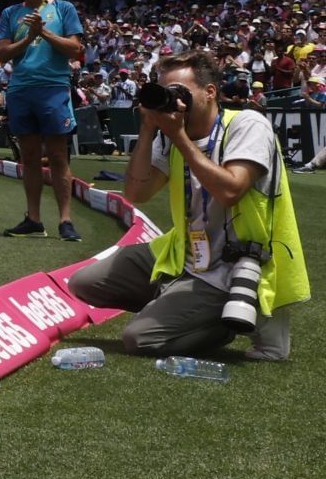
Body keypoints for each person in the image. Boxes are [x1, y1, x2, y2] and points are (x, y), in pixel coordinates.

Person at [69, 50, 307, 361]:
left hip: (236, 261)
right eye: (165, 92)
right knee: (85, 282)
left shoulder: (247, 123)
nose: (172, 100)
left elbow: (230, 190)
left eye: (179, 92)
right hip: (186, 254)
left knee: (138, 340)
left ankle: (225, 323)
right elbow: (136, 193)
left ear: (210, 92)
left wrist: (178, 137)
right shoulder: (169, 133)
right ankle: (180, 305)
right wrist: (148, 128)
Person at [0, 0, 85, 240]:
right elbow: (4, 54)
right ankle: (33, 219)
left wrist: (43, 32)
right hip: (21, 89)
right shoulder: (10, 13)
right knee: (30, 157)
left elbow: (76, 48)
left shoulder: (63, 8)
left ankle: (65, 220)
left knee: (58, 155)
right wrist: (30, 37)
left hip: (53, 87)